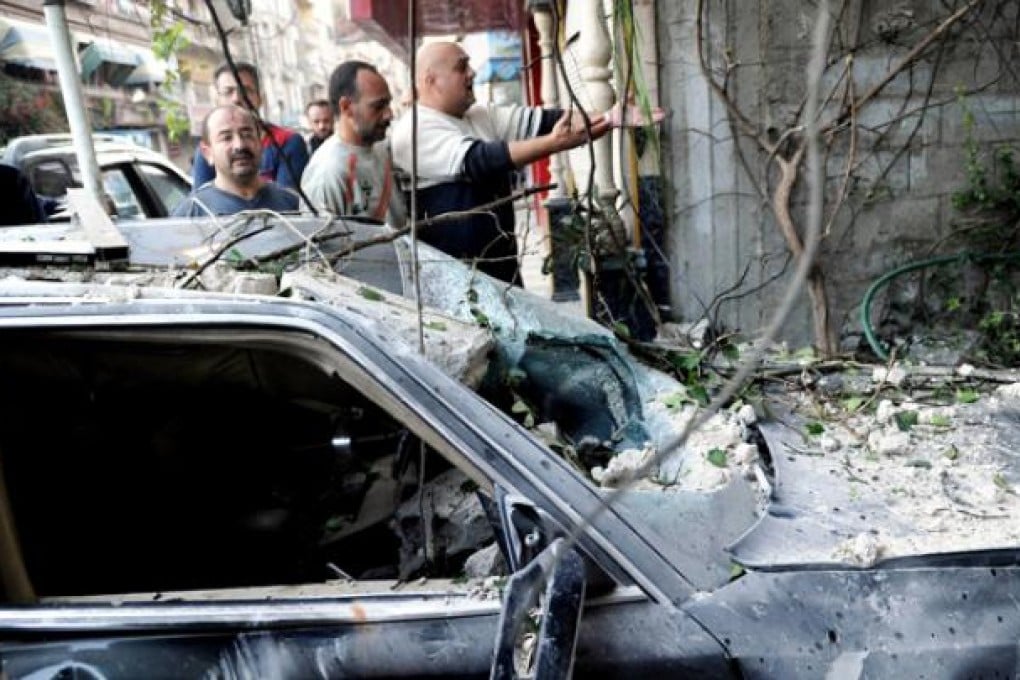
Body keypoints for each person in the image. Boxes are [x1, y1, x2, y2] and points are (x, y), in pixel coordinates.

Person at [390, 41, 611, 284]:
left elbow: (544, 120)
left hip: (503, 270)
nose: (472, 73)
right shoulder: (412, 130)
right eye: (461, 67)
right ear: (431, 81)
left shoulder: (480, 115)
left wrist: (611, 118)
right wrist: (555, 143)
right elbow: (478, 160)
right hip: (456, 282)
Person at [300, 60, 405, 226]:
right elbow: (321, 246)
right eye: (378, 106)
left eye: (388, 104)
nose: (389, 115)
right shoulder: (328, 173)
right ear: (346, 107)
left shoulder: (379, 148)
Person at [190, 62, 309, 191]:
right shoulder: (210, 149)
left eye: (246, 90)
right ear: (217, 100)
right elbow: (201, 201)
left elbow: (288, 205)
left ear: (260, 98)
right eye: (228, 92)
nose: (236, 98)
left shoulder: (287, 142)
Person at [173, 105, 301, 217]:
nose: (239, 145)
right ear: (207, 153)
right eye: (226, 138)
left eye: (247, 135)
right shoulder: (191, 214)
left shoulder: (291, 203)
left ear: (260, 144)